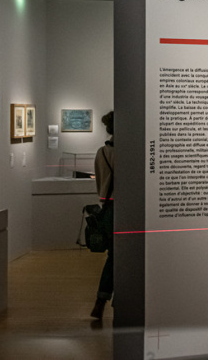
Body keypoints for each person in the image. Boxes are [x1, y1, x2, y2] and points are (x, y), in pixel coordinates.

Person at [91, 110, 115, 319]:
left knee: (113, 256)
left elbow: (99, 184)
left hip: (108, 207)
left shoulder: (101, 152)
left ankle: (101, 300)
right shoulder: (132, 151)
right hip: (125, 208)